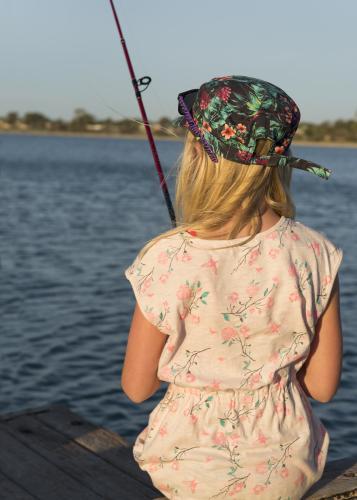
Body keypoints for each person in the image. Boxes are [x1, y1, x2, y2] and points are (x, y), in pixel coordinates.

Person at [122, 75, 343, 500]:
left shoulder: (165, 257)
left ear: (199, 158)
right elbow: (323, 388)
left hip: (186, 470)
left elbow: (136, 389)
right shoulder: (317, 252)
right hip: (287, 470)